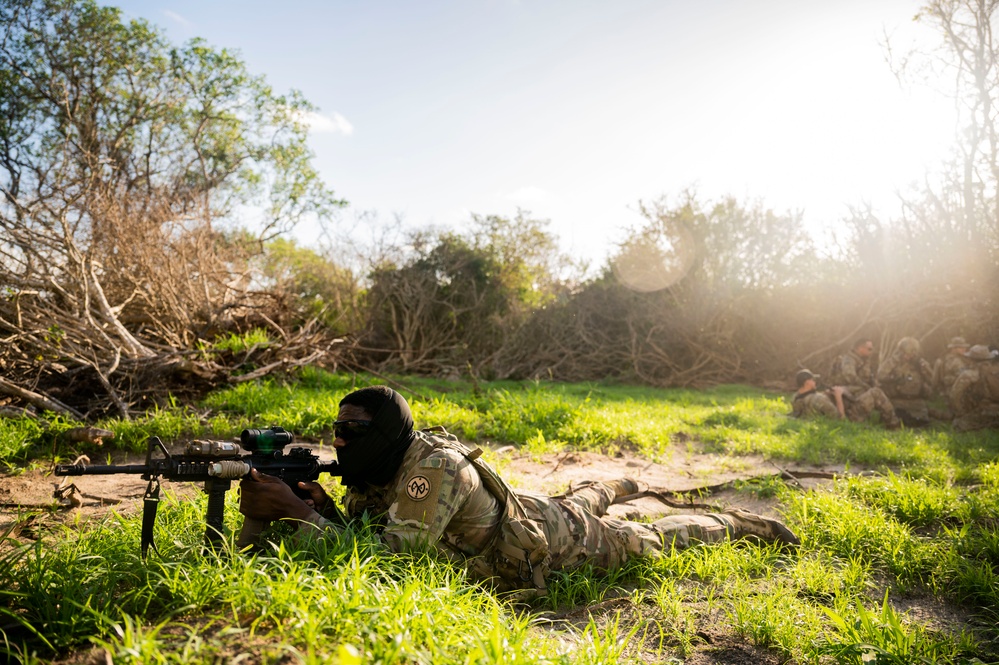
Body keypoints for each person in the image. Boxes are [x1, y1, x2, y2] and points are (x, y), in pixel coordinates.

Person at [238, 386, 799, 598]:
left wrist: (295, 513)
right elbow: (377, 527)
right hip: (519, 515)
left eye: (353, 432)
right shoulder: (376, 467)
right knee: (576, 501)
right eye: (336, 429)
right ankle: (612, 483)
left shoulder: (429, 466)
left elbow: (397, 561)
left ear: (383, 433)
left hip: (552, 544)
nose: (339, 441)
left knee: (646, 540)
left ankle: (742, 524)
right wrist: (327, 510)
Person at [791, 369, 900, 428]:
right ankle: (894, 425)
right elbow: (841, 420)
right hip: (850, 419)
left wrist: (827, 394)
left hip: (821, 418)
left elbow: (810, 403)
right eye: (813, 380)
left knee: (857, 390)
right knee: (875, 392)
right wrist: (838, 397)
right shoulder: (820, 399)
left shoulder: (795, 397)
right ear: (807, 382)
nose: (815, 381)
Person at [877, 336, 936, 426]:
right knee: (896, 421)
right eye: (906, 353)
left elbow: (933, 381)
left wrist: (925, 370)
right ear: (900, 352)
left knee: (920, 422)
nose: (908, 356)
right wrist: (894, 377)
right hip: (897, 400)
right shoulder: (893, 362)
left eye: (911, 354)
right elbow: (880, 376)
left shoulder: (920, 364)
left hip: (916, 401)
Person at [950, 345, 999, 432]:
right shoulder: (996, 371)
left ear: (971, 359)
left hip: (982, 412)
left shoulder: (969, 374)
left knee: (957, 424)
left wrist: (960, 413)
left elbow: (955, 395)